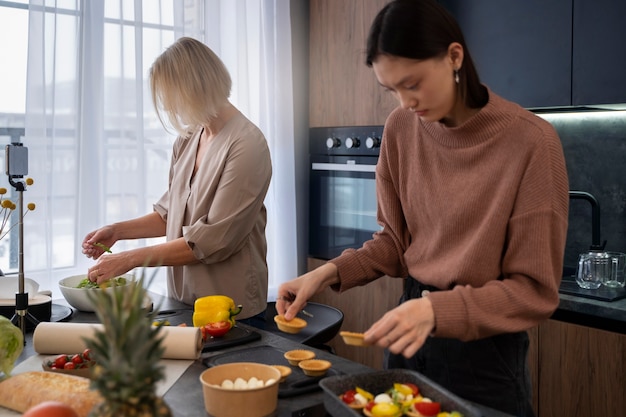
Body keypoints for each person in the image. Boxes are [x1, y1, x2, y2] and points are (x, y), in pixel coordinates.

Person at [277, 1, 568, 415]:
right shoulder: (400, 129)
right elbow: (395, 243)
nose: (404, 102)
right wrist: (324, 274)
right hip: (408, 341)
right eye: (391, 89)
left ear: (454, 56)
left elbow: (533, 292)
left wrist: (434, 310)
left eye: (412, 83)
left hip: (485, 359)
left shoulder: (532, 143)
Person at [82, 37, 272, 328]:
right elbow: (170, 215)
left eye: (173, 99)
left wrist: (130, 260)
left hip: (232, 310)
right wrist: (117, 231)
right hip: (183, 302)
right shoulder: (188, 139)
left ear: (195, 88)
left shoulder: (247, 144)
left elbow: (211, 242)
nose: (171, 110)